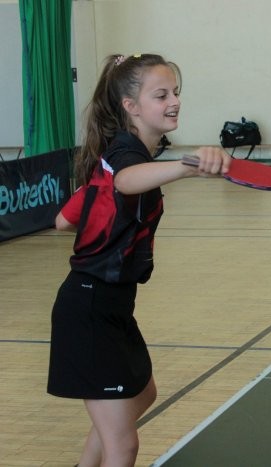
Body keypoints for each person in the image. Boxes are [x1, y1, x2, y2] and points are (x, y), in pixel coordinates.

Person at [48, 53, 231, 466]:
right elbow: (128, 181)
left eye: (175, 92)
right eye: (161, 95)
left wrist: (99, 203)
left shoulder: (116, 156)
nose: (175, 101)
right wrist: (187, 167)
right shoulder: (126, 154)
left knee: (141, 395)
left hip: (112, 306)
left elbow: (63, 221)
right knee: (123, 445)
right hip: (90, 307)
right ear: (131, 106)